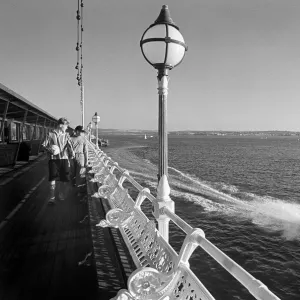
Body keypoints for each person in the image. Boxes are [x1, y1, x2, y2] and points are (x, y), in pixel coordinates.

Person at [42, 117, 75, 204]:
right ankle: (52, 197)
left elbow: (70, 147)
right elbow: (44, 145)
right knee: (53, 178)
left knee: (62, 179)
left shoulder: (66, 135)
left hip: (64, 159)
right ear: (60, 125)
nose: (67, 127)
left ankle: (60, 193)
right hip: (53, 159)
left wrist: (72, 155)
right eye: (66, 125)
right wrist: (50, 150)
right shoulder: (50, 134)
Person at [70, 125, 88, 196]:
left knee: (77, 173)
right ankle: (76, 188)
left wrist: (86, 162)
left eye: (82, 132)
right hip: (76, 157)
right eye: (81, 131)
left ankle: (76, 189)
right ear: (77, 131)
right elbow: (85, 151)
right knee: (76, 173)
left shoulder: (82, 139)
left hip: (77, 157)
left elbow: (86, 151)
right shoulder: (72, 138)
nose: (81, 133)